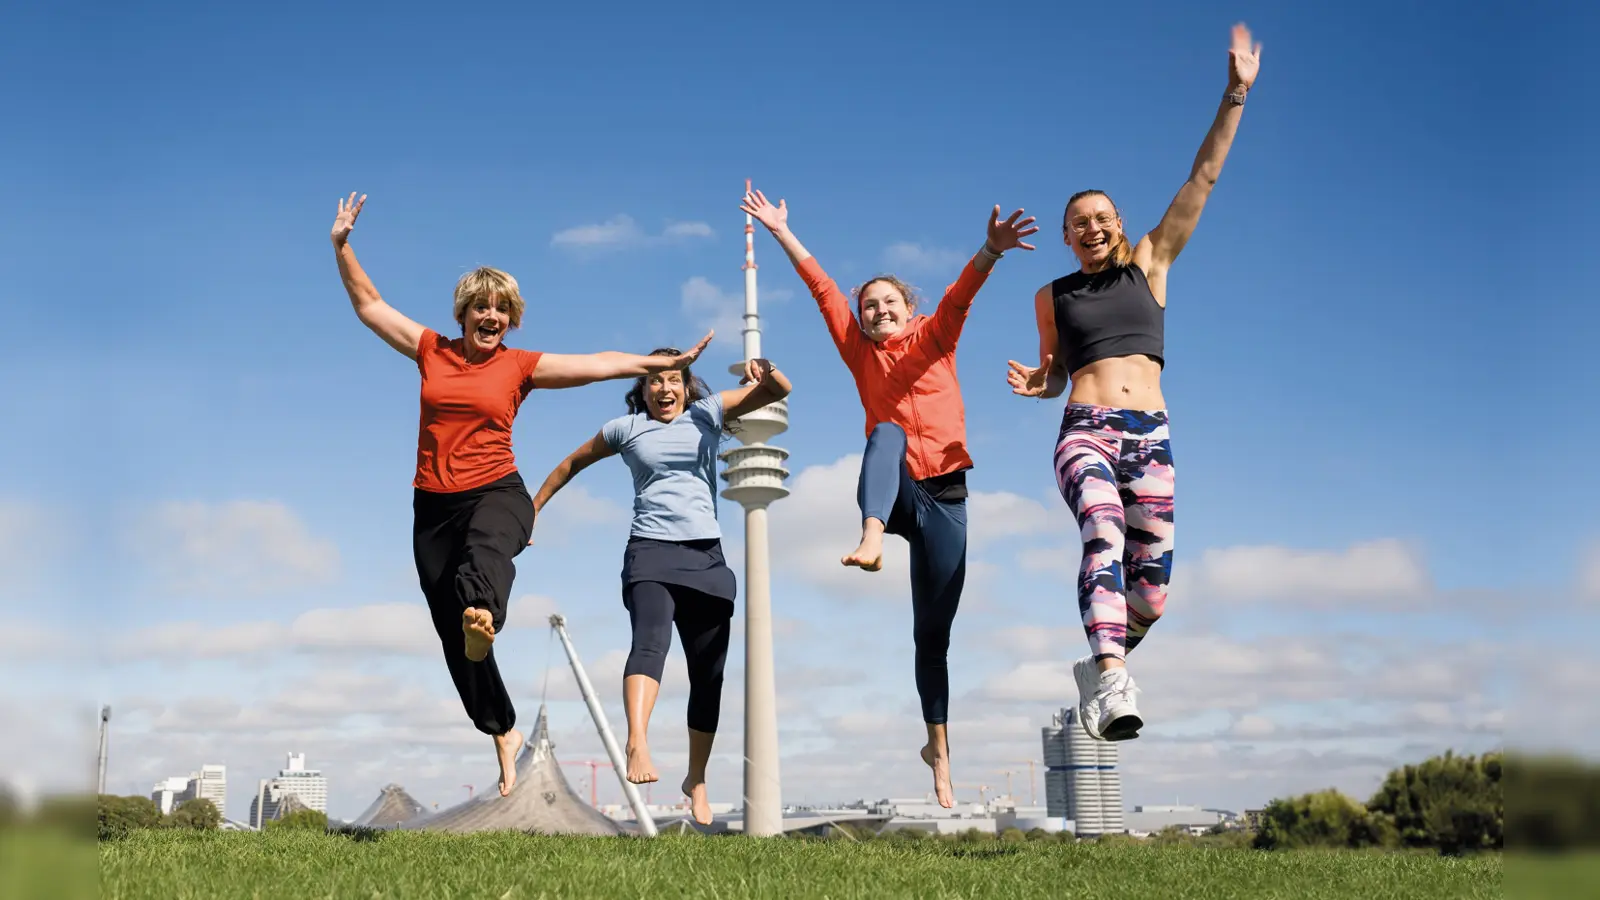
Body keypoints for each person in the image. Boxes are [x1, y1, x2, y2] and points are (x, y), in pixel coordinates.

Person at [329, 192, 714, 798]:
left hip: (499, 490)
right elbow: (370, 305)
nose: (492, 316)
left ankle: (485, 612)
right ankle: (502, 729)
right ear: (463, 313)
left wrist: (657, 363)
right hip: (433, 505)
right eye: (482, 306)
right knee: (452, 633)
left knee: (484, 560)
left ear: (511, 320)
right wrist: (342, 246)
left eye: (502, 309)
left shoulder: (520, 365)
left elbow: (597, 363)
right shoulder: (432, 350)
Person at [1006, 23, 1262, 742]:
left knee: (1151, 596)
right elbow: (1057, 374)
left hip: (1151, 437)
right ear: (1066, 238)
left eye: (1100, 217)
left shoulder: (1150, 264)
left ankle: (1100, 661)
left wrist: (1236, 94)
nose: (1090, 227)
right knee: (1103, 529)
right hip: (1086, 432)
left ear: (1117, 224)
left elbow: (1202, 179)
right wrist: (1041, 382)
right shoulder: (1051, 296)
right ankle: (1115, 678)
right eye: (1076, 223)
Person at [742, 186, 1037, 807]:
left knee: (932, 636)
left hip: (946, 498)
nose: (877, 311)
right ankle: (871, 537)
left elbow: (961, 296)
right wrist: (780, 230)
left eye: (888, 303)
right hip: (895, 491)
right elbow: (822, 288)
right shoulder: (858, 353)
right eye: (869, 305)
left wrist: (990, 250)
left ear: (909, 309)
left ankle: (938, 749)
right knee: (885, 433)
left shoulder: (937, 339)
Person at [532, 351, 792, 825]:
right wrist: (533, 508)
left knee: (708, 676)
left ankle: (697, 778)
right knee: (649, 644)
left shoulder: (708, 413)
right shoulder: (625, 429)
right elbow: (572, 464)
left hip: (706, 558)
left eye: (673, 380)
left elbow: (778, 391)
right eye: (654, 380)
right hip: (650, 551)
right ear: (642, 388)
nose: (664, 388)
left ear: (687, 387)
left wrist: (764, 368)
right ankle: (637, 740)